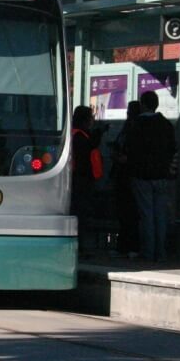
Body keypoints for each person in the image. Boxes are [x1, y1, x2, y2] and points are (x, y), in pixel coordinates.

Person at [125, 90, 176, 262]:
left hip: (141, 175)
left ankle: (148, 252)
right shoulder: (166, 124)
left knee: (146, 215)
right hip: (161, 175)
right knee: (160, 215)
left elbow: (129, 150)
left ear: (143, 104)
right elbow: (172, 149)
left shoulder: (136, 125)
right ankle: (160, 252)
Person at [71, 105, 104, 254]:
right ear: (84, 120)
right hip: (81, 181)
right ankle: (81, 247)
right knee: (81, 214)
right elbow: (87, 150)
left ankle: (81, 246)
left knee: (81, 213)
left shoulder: (80, 134)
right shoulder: (79, 136)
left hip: (81, 180)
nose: (92, 121)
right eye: (91, 118)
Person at [110, 101, 141, 257]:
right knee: (126, 212)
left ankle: (130, 246)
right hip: (124, 175)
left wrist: (123, 158)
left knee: (129, 213)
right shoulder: (129, 129)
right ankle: (126, 246)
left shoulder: (133, 129)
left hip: (129, 174)